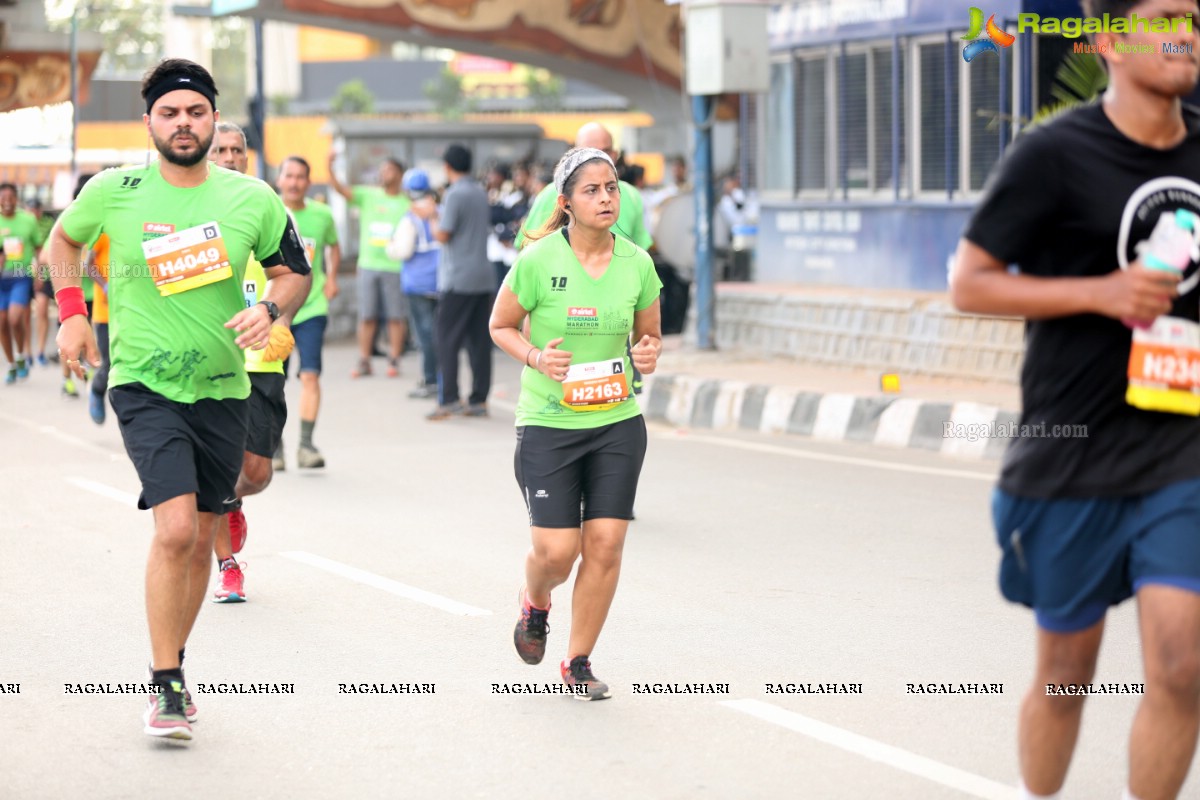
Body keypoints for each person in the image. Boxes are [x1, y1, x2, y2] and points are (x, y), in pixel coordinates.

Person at [950, 2, 1200, 797]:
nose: (1185, 36)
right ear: (1107, 43)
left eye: (1194, 21)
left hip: (1182, 446)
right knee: (1066, 670)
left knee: (1182, 662)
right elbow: (971, 282)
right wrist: (1103, 292)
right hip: (1072, 449)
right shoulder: (1055, 155)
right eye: (1166, 18)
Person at [49, 59, 309, 740]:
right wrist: (72, 314)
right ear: (150, 122)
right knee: (174, 531)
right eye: (170, 113)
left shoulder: (252, 198)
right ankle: (166, 687)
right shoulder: (115, 190)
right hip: (144, 384)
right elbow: (63, 241)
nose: (184, 123)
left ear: (213, 119)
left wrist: (274, 314)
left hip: (224, 389)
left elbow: (293, 274)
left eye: (195, 112)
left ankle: (176, 662)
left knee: (198, 541)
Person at [489, 146, 662, 700]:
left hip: (616, 420)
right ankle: (535, 602)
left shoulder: (637, 262)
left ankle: (578, 660)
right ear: (565, 204)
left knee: (606, 543)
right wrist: (538, 357)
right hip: (548, 422)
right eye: (592, 190)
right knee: (557, 552)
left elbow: (648, 335)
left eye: (611, 187)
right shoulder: (538, 262)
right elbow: (501, 325)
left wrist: (649, 353)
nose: (606, 198)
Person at [209, 122, 310, 603]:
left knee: (257, 474)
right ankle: (228, 566)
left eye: (238, 150)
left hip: (260, 363)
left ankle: (230, 500)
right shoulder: (189, 213)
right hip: (206, 365)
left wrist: (280, 316)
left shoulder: (267, 208)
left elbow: (296, 274)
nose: (230, 157)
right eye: (221, 149)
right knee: (209, 473)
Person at [276, 155, 340, 468]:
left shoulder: (323, 214)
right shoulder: (268, 211)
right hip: (275, 308)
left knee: (310, 374)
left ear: (308, 181)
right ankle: (274, 447)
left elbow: (333, 245)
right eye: (289, 176)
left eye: (301, 177)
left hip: (312, 305)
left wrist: (333, 278)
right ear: (279, 180)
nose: (294, 182)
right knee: (274, 380)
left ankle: (305, 445)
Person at [327, 151, 409, 378]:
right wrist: (330, 168)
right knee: (367, 315)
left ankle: (394, 358)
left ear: (400, 175)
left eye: (389, 170)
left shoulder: (406, 203)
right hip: (368, 265)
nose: (384, 174)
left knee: (395, 316)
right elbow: (341, 190)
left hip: (395, 267)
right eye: (382, 170)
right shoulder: (369, 195)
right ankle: (364, 359)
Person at [428, 143, 494, 420]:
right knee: (479, 341)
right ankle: (479, 398)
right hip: (483, 275)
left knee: (447, 339)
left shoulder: (454, 194)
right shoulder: (480, 191)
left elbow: (443, 234)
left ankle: (450, 398)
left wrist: (432, 216)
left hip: (458, 277)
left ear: (447, 166)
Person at [386, 168, 440, 399]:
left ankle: (430, 380)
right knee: (437, 333)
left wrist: (390, 246)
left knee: (424, 335)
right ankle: (441, 379)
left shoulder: (411, 218)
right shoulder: (439, 211)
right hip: (438, 281)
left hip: (417, 283)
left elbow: (402, 250)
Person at [0, 182, 45, 383]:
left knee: (15, 318)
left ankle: (21, 355)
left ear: (16, 199)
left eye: (10, 198)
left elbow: (38, 248)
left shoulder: (28, 220)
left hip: (21, 276)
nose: (7, 202)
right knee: (2, 323)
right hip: (2, 279)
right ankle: (11, 364)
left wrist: (39, 274)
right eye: (3, 199)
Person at [26, 196, 55, 367]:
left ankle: (40, 351)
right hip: (21, 270)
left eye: (37, 209)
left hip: (43, 272)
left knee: (42, 309)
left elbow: (45, 251)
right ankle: (27, 351)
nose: (34, 212)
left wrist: (40, 273)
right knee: (20, 316)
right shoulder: (23, 222)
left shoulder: (48, 223)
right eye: (31, 209)